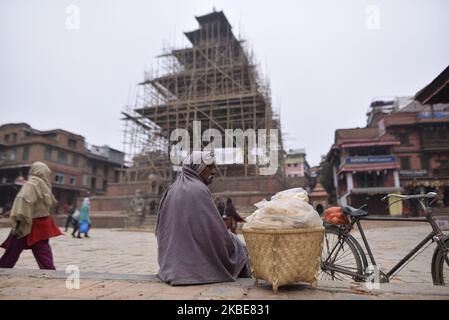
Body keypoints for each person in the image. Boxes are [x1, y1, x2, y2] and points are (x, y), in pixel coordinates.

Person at [156, 150, 250, 285]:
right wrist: (231, 240)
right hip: (192, 266)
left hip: (169, 265)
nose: (213, 171)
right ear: (198, 168)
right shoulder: (199, 189)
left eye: (213, 167)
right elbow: (215, 230)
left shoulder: (173, 188)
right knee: (238, 247)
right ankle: (244, 283)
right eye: (209, 167)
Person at [0, 162, 62, 269]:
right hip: (36, 223)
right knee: (42, 250)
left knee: (13, 251)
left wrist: (19, 219)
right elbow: (28, 201)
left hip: (28, 222)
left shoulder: (35, 184)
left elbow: (23, 201)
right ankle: (49, 270)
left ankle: (3, 267)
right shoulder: (40, 185)